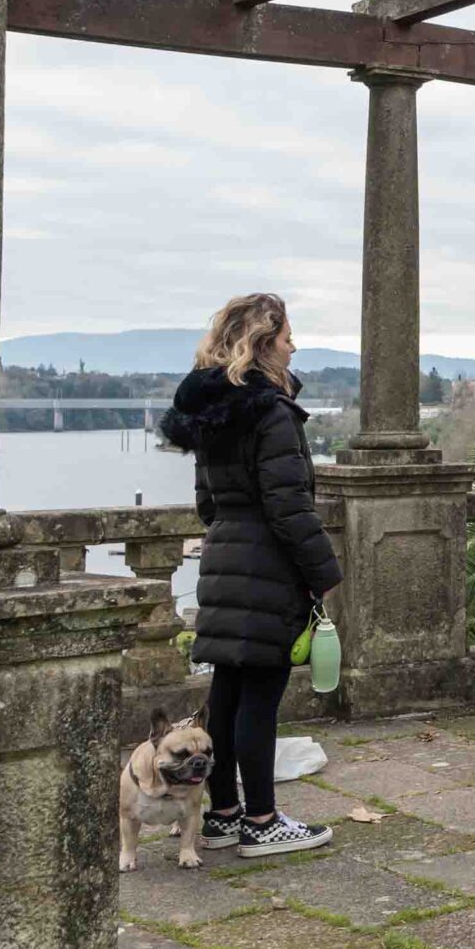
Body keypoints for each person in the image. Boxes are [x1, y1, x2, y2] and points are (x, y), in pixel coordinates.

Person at [160, 293, 341, 858]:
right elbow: (289, 505)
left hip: (225, 559)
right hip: (267, 565)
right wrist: (322, 572)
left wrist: (233, 540)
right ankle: (262, 821)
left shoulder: (212, 415)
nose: (295, 345)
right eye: (288, 336)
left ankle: (222, 814)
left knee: (230, 691)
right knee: (260, 695)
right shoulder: (271, 412)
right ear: (264, 344)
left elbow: (208, 505)